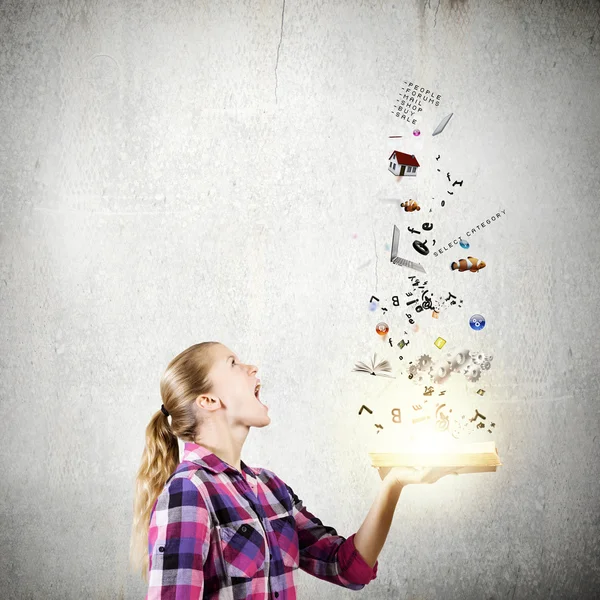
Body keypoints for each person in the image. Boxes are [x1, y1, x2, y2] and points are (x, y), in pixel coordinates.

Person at [128, 341, 459, 599]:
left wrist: (395, 483)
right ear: (209, 401)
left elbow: (347, 567)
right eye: (233, 363)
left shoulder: (270, 488)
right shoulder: (188, 491)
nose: (252, 367)